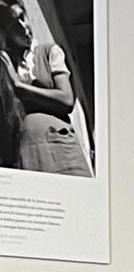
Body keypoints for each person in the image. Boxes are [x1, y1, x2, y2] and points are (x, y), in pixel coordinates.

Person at [1, 1, 89, 177]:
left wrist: (20, 88)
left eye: (22, 17)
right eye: (14, 24)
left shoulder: (48, 52)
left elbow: (66, 100)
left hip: (59, 147)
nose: (23, 26)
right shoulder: (6, 65)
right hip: (21, 155)